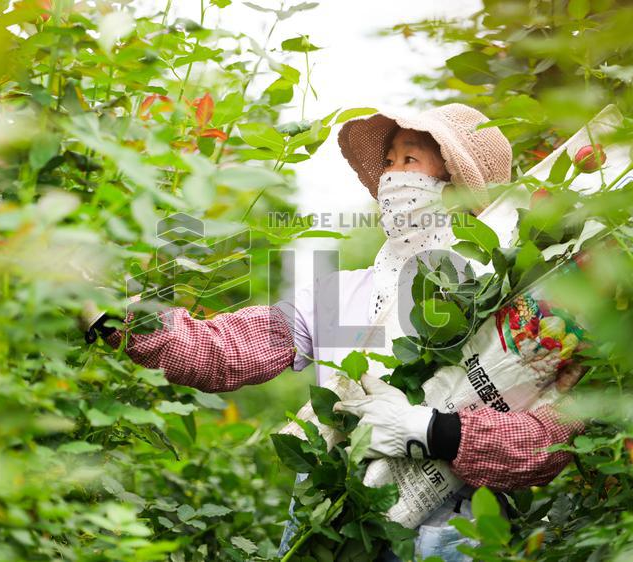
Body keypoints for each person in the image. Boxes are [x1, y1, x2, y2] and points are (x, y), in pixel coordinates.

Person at [84, 104, 584, 560]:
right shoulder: (340, 293)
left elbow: (551, 442)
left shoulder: (516, 306)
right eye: (388, 161)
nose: (391, 176)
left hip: (448, 540)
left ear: (459, 186)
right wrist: (124, 321)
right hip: (328, 524)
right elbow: (228, 348)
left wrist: (429, 431)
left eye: (411, 160)